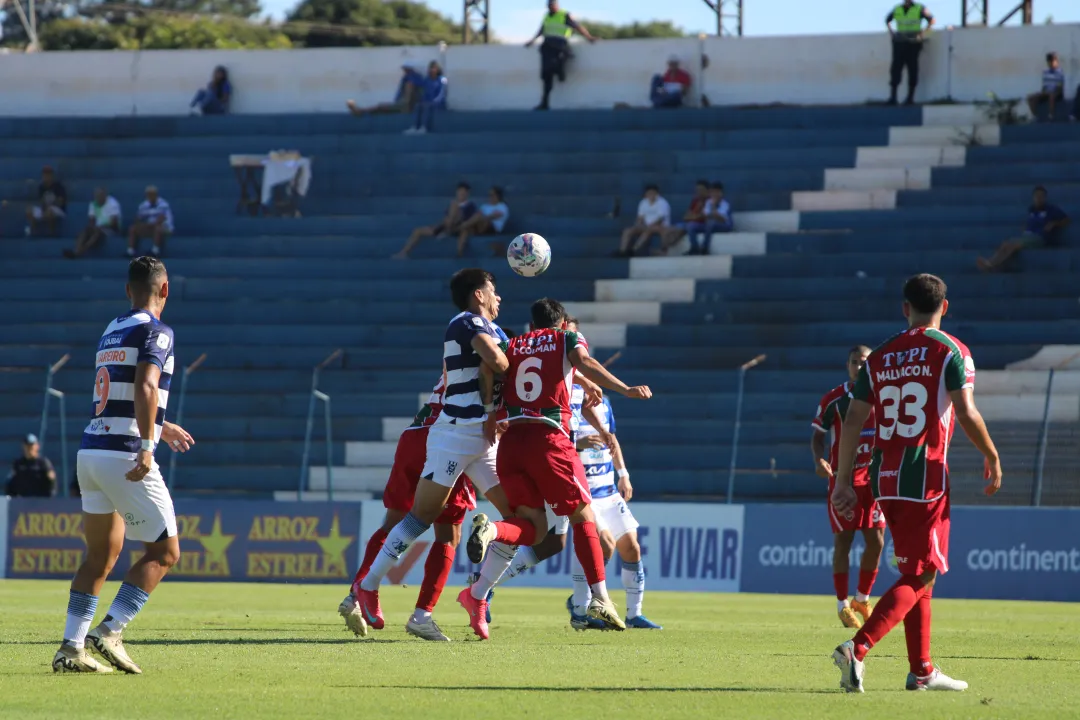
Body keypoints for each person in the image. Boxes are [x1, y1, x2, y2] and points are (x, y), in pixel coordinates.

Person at [831, 273, 1002, 693]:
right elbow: (965, 412)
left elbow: (853, 419)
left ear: (904, 308)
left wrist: (841, 480)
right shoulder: (952, 351)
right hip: (924, 473)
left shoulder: (879, 356)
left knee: (918, 569)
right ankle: (858, 647)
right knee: (923, 573)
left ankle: (921, 669)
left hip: (883, 475)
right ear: (945, 307)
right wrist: (992, 454)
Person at [464, 297, 653, 637]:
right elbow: (583, 360)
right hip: (549, 441)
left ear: (532, 324)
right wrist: (623, 389)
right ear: (563, 323)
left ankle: (489, 538)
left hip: (511, 444)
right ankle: (601, 600)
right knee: (584, 518)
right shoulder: (566, 339)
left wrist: (492, 412)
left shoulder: (513, 343)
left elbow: (488, 367)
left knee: (533, 529)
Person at [351, 269, 517, 635]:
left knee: (519, 518)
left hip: (485, 439)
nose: (499, 297)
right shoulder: (466, 322)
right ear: (478, 294)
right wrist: (505, 368)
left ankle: (477, 595)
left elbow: (505, 361)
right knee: (420, 517)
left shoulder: (496, 330)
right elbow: (501, 362)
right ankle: (368, 585)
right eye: (494, 291)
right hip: (454, 433)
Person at [52, 257, 195, 674]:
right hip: (124, 452)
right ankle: (110, 629)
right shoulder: (157, 331)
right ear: (164, 290)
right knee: (165, 551)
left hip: (91, 451)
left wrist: (161, 424)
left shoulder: (112, 329)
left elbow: (119, 392)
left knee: (100, 555)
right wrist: (149, 443)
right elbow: (147, 384)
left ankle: (70, 648)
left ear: (126, 290)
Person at [337, 375, 479, 642]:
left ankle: (356, 595)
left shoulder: (459, 348)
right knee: (448, 535)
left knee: (393, 523)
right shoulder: (497, 358)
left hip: (415, 434)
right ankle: (422, 616)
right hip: (447, 439)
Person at [566, 318, 661, 630]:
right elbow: (557, 442)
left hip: (608, 487)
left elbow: (612, 439)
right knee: (603, 544)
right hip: (584, 490)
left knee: (631, 547)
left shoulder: (602, 403)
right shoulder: (563, 400)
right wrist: (580, 441)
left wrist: (624, 473)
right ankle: (580, 607)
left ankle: (634, 614)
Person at [811, 346, 885, 630]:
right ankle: (842, 604)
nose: (858, 367)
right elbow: (817, 435)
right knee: (844, 540)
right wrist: (819, 459)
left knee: (876, 540)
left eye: (863, 362)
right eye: (854, 362)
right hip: (844, 479)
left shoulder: (884, 395)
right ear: (847, 365)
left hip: (875, 479)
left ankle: (862, 598)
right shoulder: (835, 399)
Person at [977, 186, 1070, 272]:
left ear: (1045, 198)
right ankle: (992, 262)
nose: (1039, 199)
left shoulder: (1051, 209)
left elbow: (1066, 220)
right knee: (1005, 244)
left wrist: (1054, 223)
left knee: (1012, 245)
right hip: (1027, 236)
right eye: (1037, 196)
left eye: (1041, 196)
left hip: (1039, 238)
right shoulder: (1032, 210)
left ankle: (992, 264)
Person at [526, 0, 596, 111]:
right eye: (549, 5)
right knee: (546, 75)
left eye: (553, 5)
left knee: (561, 59)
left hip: (560, 44)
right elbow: (541, 30)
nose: (551, 7)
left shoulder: (564, 15)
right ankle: (544, 102)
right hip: (547, 45)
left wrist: (588, 37)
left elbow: (577, 26)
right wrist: (532, 41)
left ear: (557, 5)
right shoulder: (546, 17)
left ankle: (560, 72)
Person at [393, 182, 477, 259]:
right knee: (418, 231)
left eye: (463, 192)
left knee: (454, 207)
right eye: (460, 191)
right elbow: (446, 218)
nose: (461, 193)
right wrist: (436, 225)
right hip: (446, 225)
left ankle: (449, 234)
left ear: (467, 194)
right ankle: (404, 252)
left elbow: (470, 220)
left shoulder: (470, 205)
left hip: (459, 227)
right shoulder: (453, 204)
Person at [885, 1, 933, 106]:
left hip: (913, 42)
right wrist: (892, 33)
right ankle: (893, 98)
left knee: (912, 68)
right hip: (899, 41)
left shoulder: (919, 8)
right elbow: (887, 20)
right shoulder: (897, 8)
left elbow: (931, 20)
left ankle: (910, 98)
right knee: (896, 68)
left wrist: (922, 33)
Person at [62, 187, 121, 259]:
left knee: (97, 233)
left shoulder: (112, 203)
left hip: (111, 229)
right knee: (86, 230)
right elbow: (91, 221)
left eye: (100, 195)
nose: (98, 198)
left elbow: (113, 223)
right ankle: (76, 250)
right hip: (98, 228)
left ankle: (79, 252)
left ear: (105, 195)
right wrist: (92, 227)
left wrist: (100, 227)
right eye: (97, 196)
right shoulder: (93, 203)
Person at [616, 184, 671, 257]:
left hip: (660, 226)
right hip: (646, 226)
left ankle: (633, 250)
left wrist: (648, 226)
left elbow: (660, 219)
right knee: (628, 230)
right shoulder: (643, 202)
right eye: (649, 193)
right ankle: (622, 251)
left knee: (648, 230)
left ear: (657, 193)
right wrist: (638, 225)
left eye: (653, 193)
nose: (651, 195)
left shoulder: (662, 203)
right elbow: (640, 217)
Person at [347, 65, 422, 117]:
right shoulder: (411, 81)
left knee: (380, 107)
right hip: (404, 105)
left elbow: (406, 102)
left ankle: (360, 111)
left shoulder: (411, 83)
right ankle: (360, 111)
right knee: (380, 107)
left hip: (406, 107)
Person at [456, 186, 510, 257]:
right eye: (489, 195)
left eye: (492, 195)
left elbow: (493, 216)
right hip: (480, 226)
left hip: (493, 228)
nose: (490, 197)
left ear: (498, 196)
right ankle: (459, 252)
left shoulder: (502, 206)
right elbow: (477, 215)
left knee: (476, 218)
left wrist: (479, 218)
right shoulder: (485, 206)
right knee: (465, 230)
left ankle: (460, 227)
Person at [660, 180, 709, 253]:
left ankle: (694, 247)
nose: (699, 192)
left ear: (707, 190)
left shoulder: (709, 201)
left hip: (702, 224)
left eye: (701, 190)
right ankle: (664, 250)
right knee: (669, 229)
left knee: (690, 226)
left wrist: (693, 217)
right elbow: (686, 216)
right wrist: (694, 216)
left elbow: (703, 216)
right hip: (690, 223)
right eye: (697, 190)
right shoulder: (695, 201)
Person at [126, 186, 174, 259]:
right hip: (149, 227)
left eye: (152, 194)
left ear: (156, 194)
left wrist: (147, 224)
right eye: (149, 194)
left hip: (165, 227)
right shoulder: (143, 205)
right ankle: (130, 251)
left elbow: (160, 220)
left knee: (157, 227)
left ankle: (155, 251)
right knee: (133, 228)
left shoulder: (163, 204)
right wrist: (140, 224)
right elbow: (138, 218)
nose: (150, 196)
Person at [404, 61, 448, 135]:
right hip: (427, 101)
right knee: (419, 106)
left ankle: (424, 127)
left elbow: (443, 92)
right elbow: (421, 85)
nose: (432, 70)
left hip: (438, 102)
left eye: (434, 68)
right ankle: (415, 127)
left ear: (437, 69)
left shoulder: (443, 79)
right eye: (431, 68)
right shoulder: (427, 78)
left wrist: (435, 100)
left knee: (427, 106)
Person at [6, 434, 57, 498]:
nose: (29, 448)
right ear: (23, 446)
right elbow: (10, 483)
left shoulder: (43, 463)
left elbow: (51, 482)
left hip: (40, 501)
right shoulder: (18, 464)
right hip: (22, 501)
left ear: (37, 446)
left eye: (31, 445)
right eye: (27, 446)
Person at [25, 165, 66, 237]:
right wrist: (44, 209)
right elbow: (41, 202)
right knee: (29, 210)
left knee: (50, 211)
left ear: (52, 176)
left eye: (48, 175)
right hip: (45, 209)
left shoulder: (58, 186)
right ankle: (34, 233)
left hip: (59, 209)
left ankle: (52, 233)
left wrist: (52, 204)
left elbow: (61, 202)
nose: (46, 177)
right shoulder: (41, 187)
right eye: (45, 175)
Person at [696, 182, 734, 255]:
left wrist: (713, 207)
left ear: (721, 193)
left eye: (716, 192)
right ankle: (694, 247)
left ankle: (704, 248)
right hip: (710, 225)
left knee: (711, 223)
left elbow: (722, 219)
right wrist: (712, 214)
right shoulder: (708, 202)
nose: (713, 194)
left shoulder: (725, 204)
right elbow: (705, 216)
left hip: (725, 226)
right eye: (712, 192)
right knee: (691, 226)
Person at [1027, 52, 1066, 122]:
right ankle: (1034, 116)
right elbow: (1044, 86)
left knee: (1051, 96)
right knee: (1031, 98)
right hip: (1046, 92)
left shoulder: (1060, 72)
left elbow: (1060, 86)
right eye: (1050, 61)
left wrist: (1053, 92)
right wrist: (1043, 93)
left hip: (1056, 92)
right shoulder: (1045, 72)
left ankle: (1051, 115)